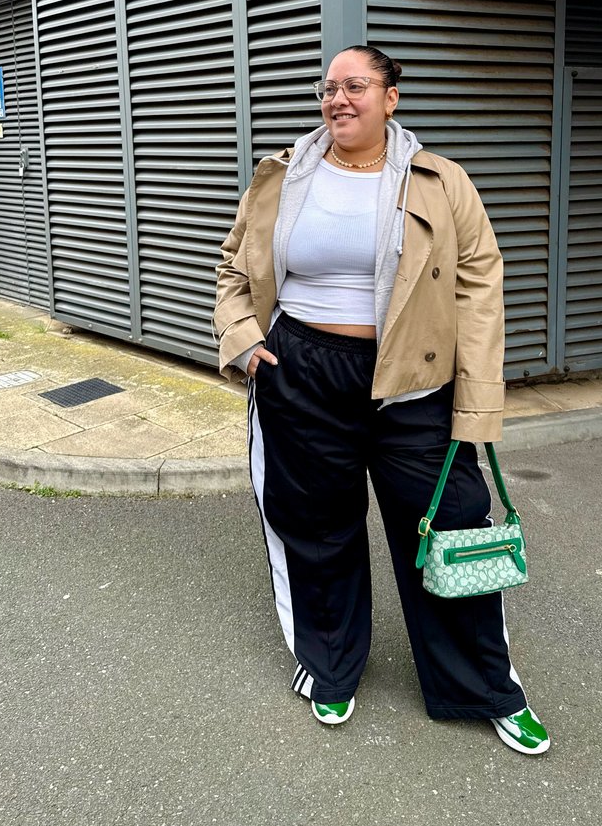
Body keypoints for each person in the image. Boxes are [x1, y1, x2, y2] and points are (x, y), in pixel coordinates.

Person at [214, 45, 550, 754]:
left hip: (414, 382)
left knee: (452, 526)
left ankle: (486, 687)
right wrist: (242, 339)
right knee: (316, 527)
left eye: (356, 85)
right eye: (328, 88)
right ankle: (330, 666)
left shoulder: (440, 180)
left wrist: (476, 404)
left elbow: (480, 289)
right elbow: (234, 265)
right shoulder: (282, 175)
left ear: (391, 97)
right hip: (302, 373)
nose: (338, 99)